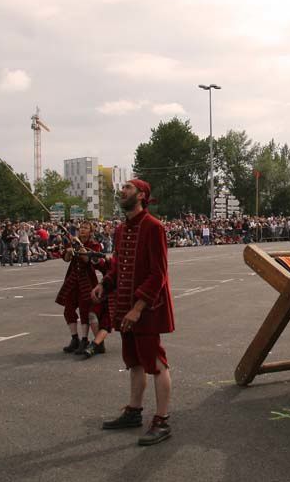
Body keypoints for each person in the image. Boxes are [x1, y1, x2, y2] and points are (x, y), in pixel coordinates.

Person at [92, 179, 174, 446]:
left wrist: (138, 308)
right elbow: (119, 266)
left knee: (156, 364)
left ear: (141, 195)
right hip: (125, 307)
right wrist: (104, 284)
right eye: (123, 188)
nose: (122, 191)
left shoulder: (154, 227)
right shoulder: (120, 229)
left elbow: (158, 274)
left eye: (127, 187)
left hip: (147, 309)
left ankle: (162, 420)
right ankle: (134, 411)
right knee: (134, 361)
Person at [55, 223, 107, 354]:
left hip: (87, 280)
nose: (82, 230)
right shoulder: (72, 241)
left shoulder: (94, 244)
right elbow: (66, 259)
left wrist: (79, 245)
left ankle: (85, 339)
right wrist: (68, 251)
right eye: (81, 228)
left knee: (85, 311)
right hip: (72, 279)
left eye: (85, 228)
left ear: (90, 232)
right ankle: (74, 338)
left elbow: (86, 259)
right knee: (68, 309)